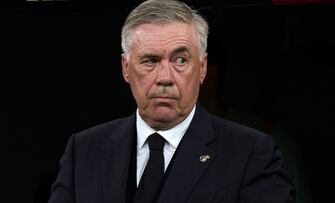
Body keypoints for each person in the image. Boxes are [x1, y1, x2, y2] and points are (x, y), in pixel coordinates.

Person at [48, 0, 295, 202]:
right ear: (126, 68)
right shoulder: (84, 151)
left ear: (202, 69)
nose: (164, 78)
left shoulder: (251, 153)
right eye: (150, 61)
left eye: (180, 61)